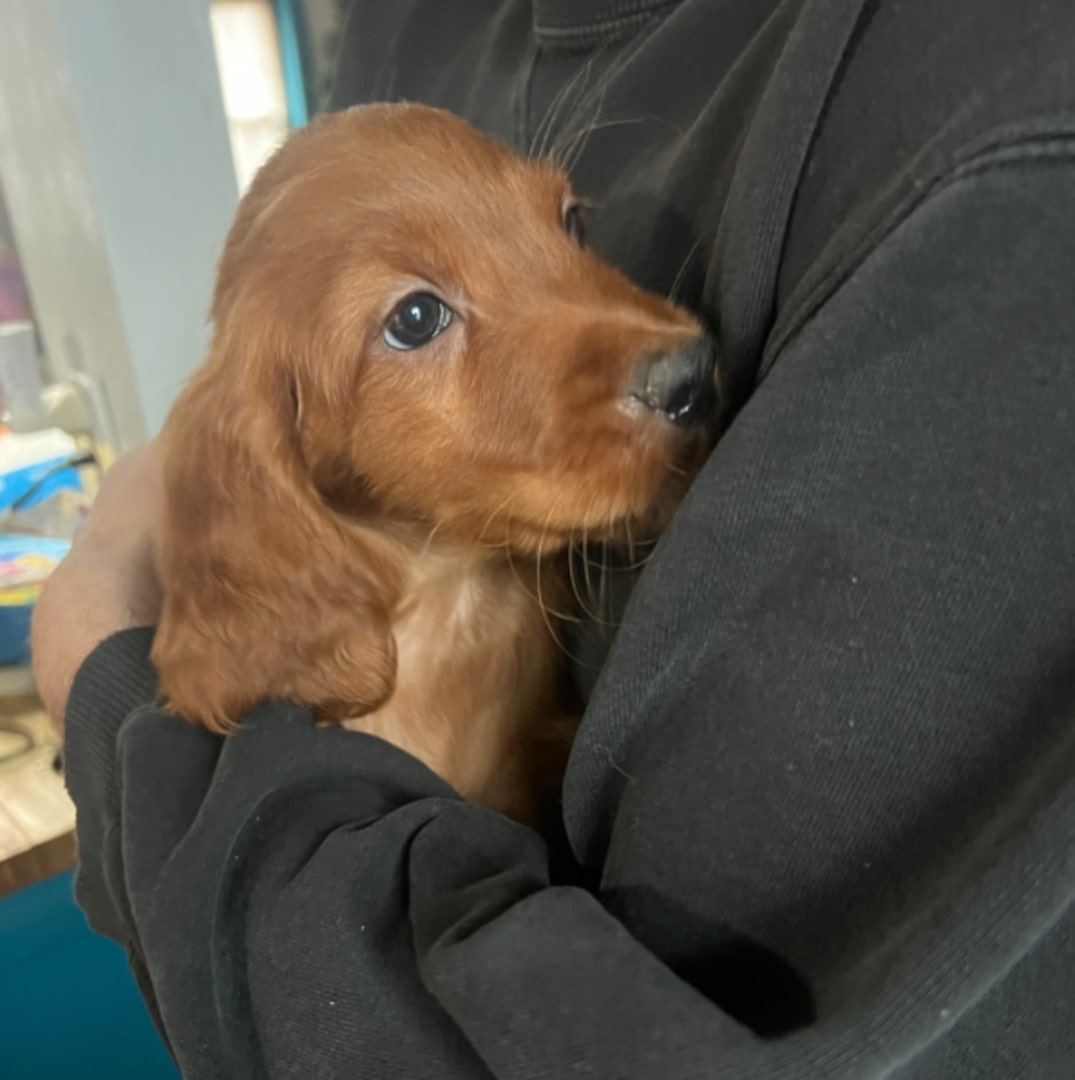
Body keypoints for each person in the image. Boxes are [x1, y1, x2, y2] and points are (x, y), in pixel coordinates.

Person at [32, 1, 1075, 1076]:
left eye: (567, 227)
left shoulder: (1008, 135)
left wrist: (97, 648)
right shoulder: (405, 27)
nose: (656, 339)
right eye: (416, 319)